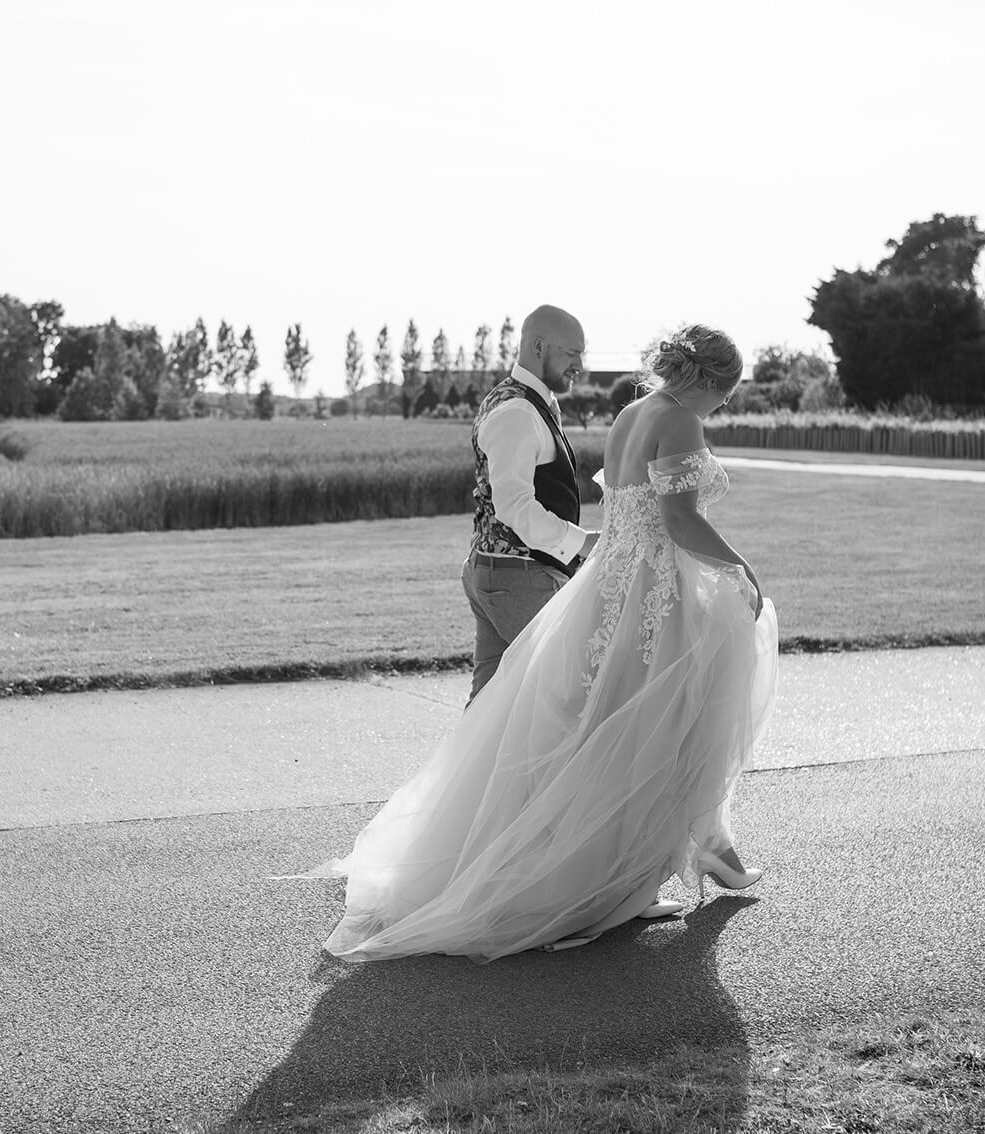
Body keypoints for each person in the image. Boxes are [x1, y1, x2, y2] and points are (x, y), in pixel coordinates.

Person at [311, 323, 779, 963]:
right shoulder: (680, 421)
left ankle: (667, 862)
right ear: (707, 382)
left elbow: (621, 509)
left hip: (607, 584)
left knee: (610, 725)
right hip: (651, 591)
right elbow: (678, 518)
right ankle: (633, 872)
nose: (723, 406)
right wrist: (739, 567)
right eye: (725, 393)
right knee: (661, 727)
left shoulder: (631, 413)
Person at [462, 305, 600, 703]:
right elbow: (515, 507)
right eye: (572, 353)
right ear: (539, 346)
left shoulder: (525, 402)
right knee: (572, 692)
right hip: (516, 577)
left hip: (499, 574)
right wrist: (582, 542)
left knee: (488, 708)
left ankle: (476, 769)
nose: (580, 364)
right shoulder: (517, 411)